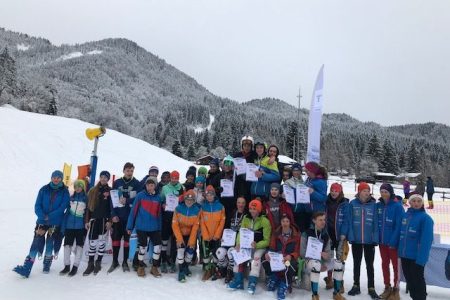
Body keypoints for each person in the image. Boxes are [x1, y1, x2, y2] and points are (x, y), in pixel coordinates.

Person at [13, 170, 70, 278]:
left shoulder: (64, 192)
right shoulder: (43, 189)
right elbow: (37, 205)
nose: (56, 179)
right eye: (54, 177)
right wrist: (43, 215)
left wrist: (50, 216)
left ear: (61, 179)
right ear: (51, 178)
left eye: (58, 177)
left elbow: (63, 207)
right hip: (42, 221)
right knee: (36, 242)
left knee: (50, 242)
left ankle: (47, 264)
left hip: (55, 222)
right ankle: (27, 267)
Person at [227, 199, 271, 295]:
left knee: (256, 258)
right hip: (246, 245)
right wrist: (238, 243)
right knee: (238, 256)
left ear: (259, 210)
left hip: (259, 247)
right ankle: (238, 281)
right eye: (250, 208)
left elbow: (267, 241)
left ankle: (252, 282)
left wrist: (257, 244)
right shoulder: (246, 218)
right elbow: (240, 233)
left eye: (254, 209)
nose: (252, 211)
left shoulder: (265, 221)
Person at [398, 192, 434, 300]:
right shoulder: (406, 215)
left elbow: (427, 241)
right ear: (409, 202)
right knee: (410, 282)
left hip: (417, 258)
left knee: (417, 282)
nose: (416, 203)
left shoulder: (426, 219)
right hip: (405, 256)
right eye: (413, 201)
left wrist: (421, 259)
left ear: (422, 203)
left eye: (419, 201)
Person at [347, 182, 380, 299]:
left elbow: (376, 222)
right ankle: (356, 285)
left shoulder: (374, 205)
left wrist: (375, 238)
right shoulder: (352, 204)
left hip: (369, 240)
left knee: (369, 264)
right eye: (364, 190)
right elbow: (349, 221)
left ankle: (371, 287)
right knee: (356, 263)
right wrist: (350, 235)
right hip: (356, 239)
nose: (366, 193)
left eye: (368, 191)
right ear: (359, 192)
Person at [126, 177, 162, 278]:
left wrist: (159, 228)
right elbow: (133, 212)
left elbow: (159, 215)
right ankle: (140, 267)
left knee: (158, 247)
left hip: (154, 227)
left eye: (151, 185)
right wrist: (129, 226)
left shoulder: (158, 198)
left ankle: (154, 268)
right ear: (145, 185)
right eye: (147, 185)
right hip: (141, 226)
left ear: (155, 186)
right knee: (142, 247)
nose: (149, 187)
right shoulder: (140, 196)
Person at [110, 162, 142, 273]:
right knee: (116, 239)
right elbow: (112, 199)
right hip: (118, 216)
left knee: (127, 240)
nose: (129, 173)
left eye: (131, 171)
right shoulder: (117, 182)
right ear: (124, 171)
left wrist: (127, 200)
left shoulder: (137, 183)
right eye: (128, 170)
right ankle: (114, 261)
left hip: (129, 217)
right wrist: (113, 215)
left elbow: (139, 198)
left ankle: (124, 262)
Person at [263, 214, 300, 300]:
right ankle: (273, 277)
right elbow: (272, 247)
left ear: (290, 222)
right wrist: (268, 253)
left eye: (287, 221)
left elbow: (297, 251)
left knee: (288, 265)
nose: (285, 223)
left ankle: (284, 284)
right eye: (283, 221)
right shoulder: (276, 233)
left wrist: (290, 256)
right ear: (280, 222)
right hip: (278, 258)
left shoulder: (296, 235)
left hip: (288, 259)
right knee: (264, 259)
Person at [376, 183, 404, 300]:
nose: (383, 194)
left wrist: (393, 241)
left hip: (393, 244)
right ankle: (387, 287)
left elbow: (399, 226)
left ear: (390, 193)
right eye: (382, 192)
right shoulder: (378, 206)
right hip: (382, 242)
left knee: (395, 266)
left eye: (386, 192)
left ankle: (396, 289)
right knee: (384, 264)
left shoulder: (397, 206)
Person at [83, 171, 112, 276]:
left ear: (108, 179)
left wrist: (110, 221)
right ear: (100, 178)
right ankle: (90, 264)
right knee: (93, 242)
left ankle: (98, 262)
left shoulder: (110, 191)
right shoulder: (92, 190)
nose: (103, 179)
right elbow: (88, 208)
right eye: (102, 177)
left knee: (101, 242)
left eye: (106, 177)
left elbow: (112, 209)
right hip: (94, 220)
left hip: (104, 220)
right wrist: (87, 221)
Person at [324, 183, 350, 299]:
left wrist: (344, 233)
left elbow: (346, 220)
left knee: (340, 259)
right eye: (332, 190)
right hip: (328, 234)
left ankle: (340, 281)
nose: (334, 193)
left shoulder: (344, 203)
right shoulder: (326, 201)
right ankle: (329, 279)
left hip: (340, 235)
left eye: (336, 191)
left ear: (340, 192)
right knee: (329, 257)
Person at [215, 196, 247, 283]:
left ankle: (230, 271)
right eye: (239, 202)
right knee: (219, 252)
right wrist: (222, 237)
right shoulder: (232, 213)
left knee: (231, 252)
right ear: (236, 203)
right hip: (228, 240)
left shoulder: (247, 216)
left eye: (242, 203)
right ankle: (223, 267)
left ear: (245, 204)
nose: (240, 205)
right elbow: (225, 227)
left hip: (238, 243)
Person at [60, 179, 88, 276]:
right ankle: (67, 266)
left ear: (83, 187)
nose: (77, 188)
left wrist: (86, 225)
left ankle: (75, 266)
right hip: (69, 226)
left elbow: (87, 214)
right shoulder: (71, 198)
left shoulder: (86, 198)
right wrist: (63, 226)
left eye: (79, 186)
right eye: (75, 186)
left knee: (79, 247)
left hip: (80, 227)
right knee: (67, 246)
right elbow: (67, 212)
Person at [172, 189, 201, 282]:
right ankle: (181, 271)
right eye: (187, 199)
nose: (189, 201)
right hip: (179, 234)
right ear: (184, 199)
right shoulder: (178, 208)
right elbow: (175, 225)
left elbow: (195, 227)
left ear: (194, 200)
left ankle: (185, 267)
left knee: (190, 252)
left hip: (190, 234)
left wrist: (192, 241)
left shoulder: (197, 210)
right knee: (180, 250)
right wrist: (179, 239)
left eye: (191, 200)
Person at [160, 170, 184, 273]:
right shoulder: (165, 188)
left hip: (177, 218)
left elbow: (183, 202)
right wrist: (163, 205)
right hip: (167, 216)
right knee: (164, 241)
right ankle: (164, 262)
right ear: (170, 178)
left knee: (175, 242)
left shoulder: (181, 188)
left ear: (178, 178)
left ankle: (173, 262)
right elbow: (161, 200)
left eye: (176, 178)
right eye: (173, 177)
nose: (174, 179)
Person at [200, 185, 226, 281]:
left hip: (216, 236)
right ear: (205, 196)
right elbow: (202, 222)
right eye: (207, 195)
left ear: (214, 195)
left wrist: (217, 235)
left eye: (211, 194)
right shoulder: (203, 207)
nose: (209, 197)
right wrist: (205, 235)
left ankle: (214, 269)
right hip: (206, 236)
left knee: (215, 254)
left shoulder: (220, 206)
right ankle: (207, 269)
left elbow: (222, 222)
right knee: (206, 254)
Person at [233, 135, 257, 201]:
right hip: (239, 182)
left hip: (251, 183)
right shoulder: (237, 155)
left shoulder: (255, 155)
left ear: (251, 146)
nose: (246, 147)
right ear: (242, 146)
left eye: (249, 146)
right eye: (245, 145)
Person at [284, 163, 306, 231]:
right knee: (291, 230)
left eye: (298, 170)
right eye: (294, 170)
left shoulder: (304, 183)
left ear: (300, 171)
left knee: (300, 231)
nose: (296, 172)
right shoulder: (288, 182)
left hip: (301, 211)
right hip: (290, 210)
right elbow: (285, 195)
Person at [219, 155, 237, 225]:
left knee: (229, 220)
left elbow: (239, 188)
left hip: (232, 202)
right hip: (222, 201)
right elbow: (213, 187)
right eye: (226, 165)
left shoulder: (235, 176)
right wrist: (218, 189)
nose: (227, 167)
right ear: (223, 165)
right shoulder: (220, 175)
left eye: (230, 165)